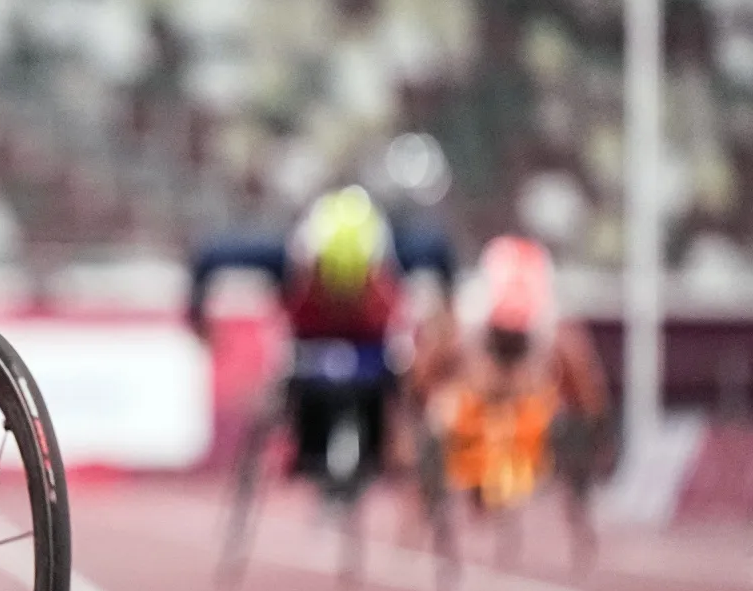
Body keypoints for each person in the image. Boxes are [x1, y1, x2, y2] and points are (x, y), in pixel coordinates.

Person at [190, 186, 455, 495]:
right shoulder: (287, 260)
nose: (342, 298)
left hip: (374, 358)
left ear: (376, 266)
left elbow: (441, 255)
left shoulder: (402, 253)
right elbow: (208, 256)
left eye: (355, 282)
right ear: (310, 262)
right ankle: (305, 450)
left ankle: (392, 454)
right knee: (282, 390)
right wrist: (198, 316)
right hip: (307, 359)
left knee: (418, 390)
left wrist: (447, 315)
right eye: (329, 280)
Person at [416, 235, 608, 567]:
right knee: (437, 422)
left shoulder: (551, 324)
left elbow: (585, 383)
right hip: (476, 397)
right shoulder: (467, 316)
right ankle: (435, 512)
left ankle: (579, 510)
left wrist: (591, 425)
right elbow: (428, 371)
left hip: (528, 402)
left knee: (570, 431)